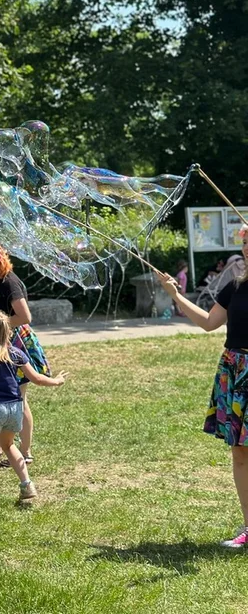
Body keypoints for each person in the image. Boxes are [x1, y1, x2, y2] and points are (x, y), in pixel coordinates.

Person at [158, 229, 248, 547]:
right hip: (235, 369)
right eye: (245, 242)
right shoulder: (234, 286)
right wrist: (175, 294)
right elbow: (210, 322)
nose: (247, 248)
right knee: (240, 452)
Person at [0, 311, 66, 513]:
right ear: (9, 332)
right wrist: (56, 381)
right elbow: (37, 378)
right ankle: (27, 484)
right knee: (9, 445)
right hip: (14, 407)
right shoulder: (17, 353)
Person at [0, 241, 52, 462]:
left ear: (1, 262)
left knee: (19, 397)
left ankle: (25, 452)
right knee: (3, 395)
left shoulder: (10, 283)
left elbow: (25, 317)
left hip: (17, 341)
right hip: (3, 340)